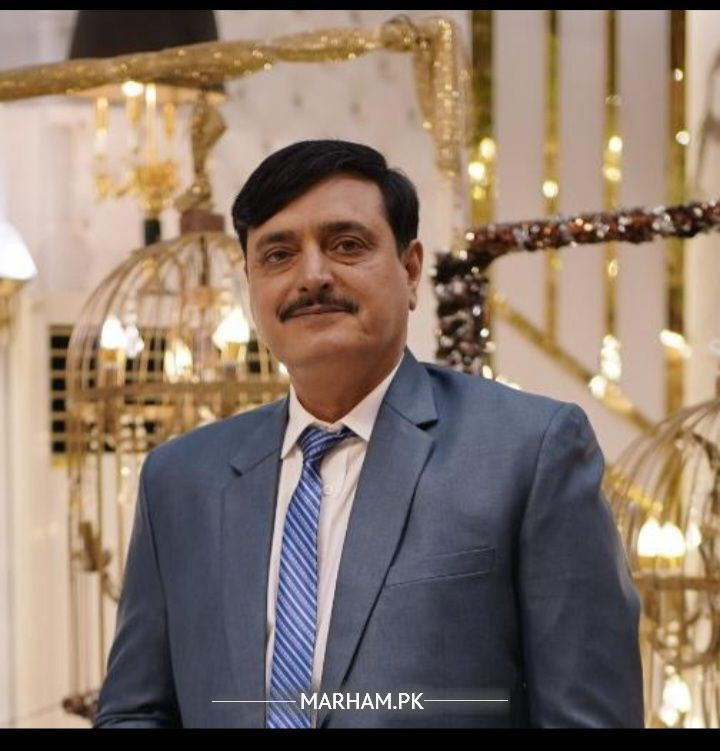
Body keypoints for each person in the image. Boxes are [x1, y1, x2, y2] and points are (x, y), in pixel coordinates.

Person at [94, 139, 644, 728]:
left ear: (410, 270)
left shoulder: (529, 452)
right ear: (251, 285)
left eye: (346, 245)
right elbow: (136, 711)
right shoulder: (181, 481)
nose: (312, 276)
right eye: (278, 254)